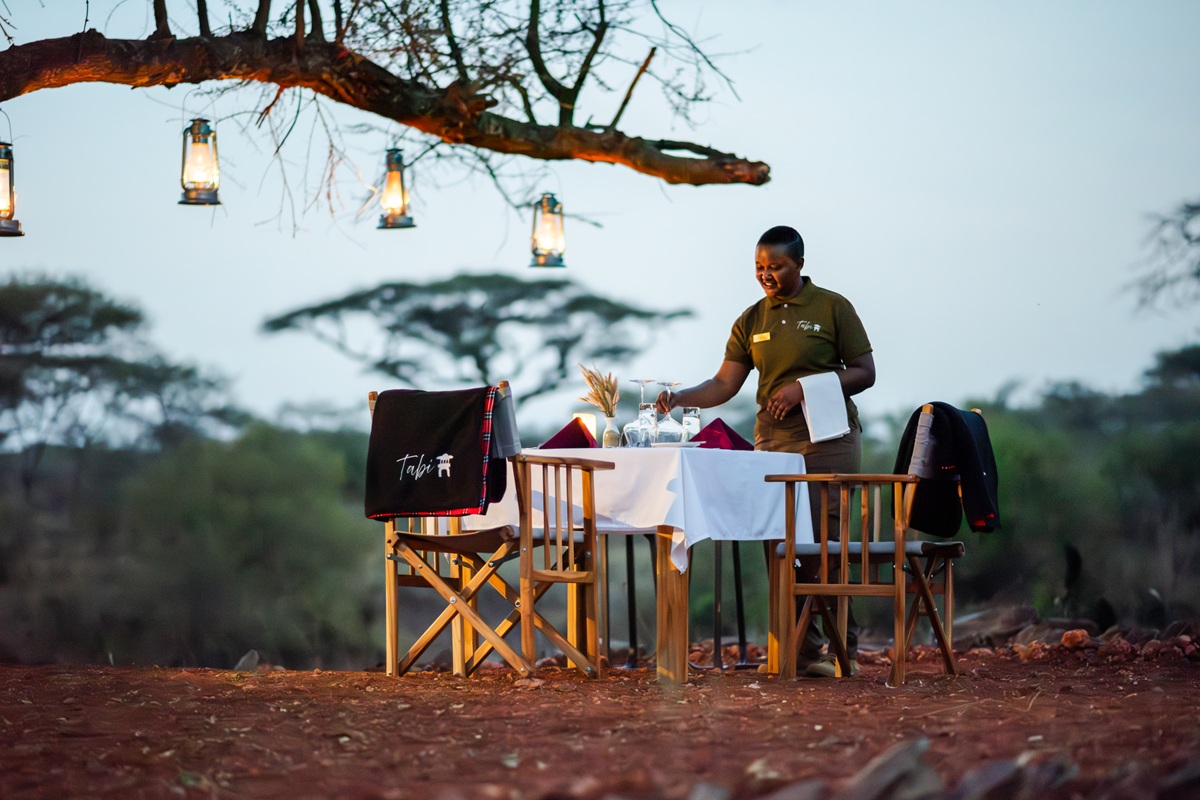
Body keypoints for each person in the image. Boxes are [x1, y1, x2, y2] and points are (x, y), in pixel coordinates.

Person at [655, 224, 875, 677]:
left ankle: (841, 650)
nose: (766, 275)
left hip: (826, 443)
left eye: (776, 266)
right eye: (759, 267)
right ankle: (799, 651)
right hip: (771, 446)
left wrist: (803, 389)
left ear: (799, 264)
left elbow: (865, 372)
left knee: (825, 548)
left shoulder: (832, 307)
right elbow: (724, 383)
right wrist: (680, 398)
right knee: (780, 545)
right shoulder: (752, 319)